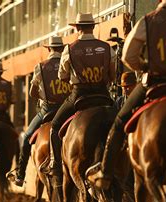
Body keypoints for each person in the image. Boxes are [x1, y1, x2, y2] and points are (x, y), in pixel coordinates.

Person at [88, 0, 166, 189]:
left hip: (154, 83)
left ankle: (105, 173)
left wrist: (144, 69)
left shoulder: (147, 21)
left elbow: (127, 56)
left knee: (120, 121)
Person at [47, 13, 116, 182]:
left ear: (77, 28)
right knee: (121, 123)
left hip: (79, 95)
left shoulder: (69, 49)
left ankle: (55, 164)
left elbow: (62, 76)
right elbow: (113, 74)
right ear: (93, 27)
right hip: (102, 95)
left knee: (54, 127)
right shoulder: (107, 48)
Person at [8, 36, 69, 187]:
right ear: (62, 49)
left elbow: (32, 93)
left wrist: (44, 97)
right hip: (69, 107)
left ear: (49, 49)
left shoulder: (41, 66)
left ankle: (20, 175)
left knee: (28, 136)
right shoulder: (69, 62)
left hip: (49, 109)